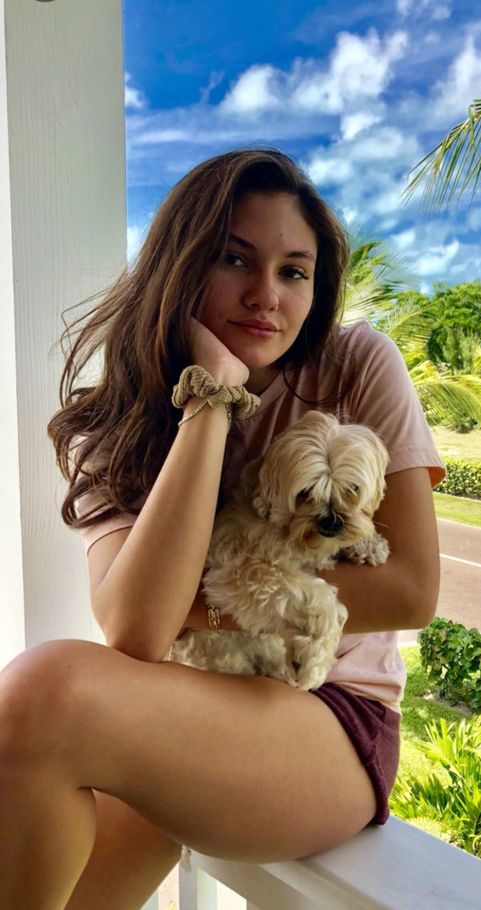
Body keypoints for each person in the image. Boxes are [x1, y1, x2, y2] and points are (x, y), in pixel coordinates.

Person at [0, 148, 445, 909]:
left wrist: (200, 598)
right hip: (190, 698)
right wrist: (212, 401)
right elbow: (137, 626)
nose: (265, 296)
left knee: (44, 693)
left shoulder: (354, 365)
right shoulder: (119, 417)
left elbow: (408, 590)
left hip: (329, 720)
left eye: (294, 271)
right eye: (235, 259)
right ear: (179, 267)